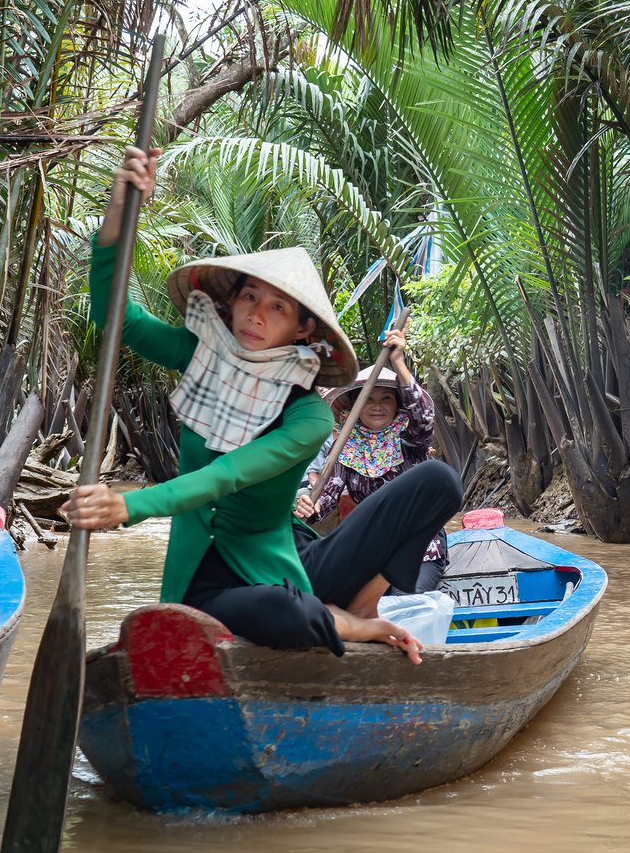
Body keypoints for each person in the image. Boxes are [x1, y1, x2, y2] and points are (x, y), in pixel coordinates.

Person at [65, 147, 463, 663]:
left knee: (440, 482)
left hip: (289, 562)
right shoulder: (201, 358)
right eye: (250, 297)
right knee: (288, 614)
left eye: (277, 308)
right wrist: (120, 209)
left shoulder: (310, 415)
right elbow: (113, 310)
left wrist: (130, 504)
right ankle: (336, 619)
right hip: (212, 583)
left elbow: (227, 475)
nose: (257, 314)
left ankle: (358, 612)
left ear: (302, 330)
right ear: (231, 303)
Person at [294, 329, 449, 594]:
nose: (377, 406)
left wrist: (398, 361)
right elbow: (327, 499)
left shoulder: (410, 439)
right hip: (373, 553)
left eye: (386, 398)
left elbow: (423, 416)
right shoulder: (345, 447)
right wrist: (310, 506)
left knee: (403, 599)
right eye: (368, 399)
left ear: (397, 404)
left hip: (419, 550)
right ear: (356, 406)